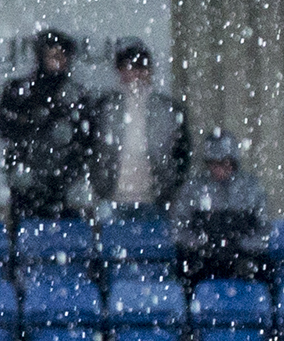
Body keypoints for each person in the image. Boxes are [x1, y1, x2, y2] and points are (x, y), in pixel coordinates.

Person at [0, 29, 95, 222]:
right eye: (52, 55)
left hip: (62, 185)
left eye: (62, 55)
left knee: (62, 239)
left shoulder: (76, 94)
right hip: (26, 182)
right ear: (40, 56)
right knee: (26, 236)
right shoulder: (18, 90)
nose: (58, 61)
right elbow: (6, 129)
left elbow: (85, 138)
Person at [90, 39, 190, 221]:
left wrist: (171, 187)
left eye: (141, 67)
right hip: (111, 198)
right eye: (130, 67)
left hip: (155, 200)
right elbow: (92, 149)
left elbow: (182, 153)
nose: (137, 74)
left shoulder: (168, 109)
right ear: (120, 71)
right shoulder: (104, 107)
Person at [173, 131, 271, 282]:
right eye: (214, 163)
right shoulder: (193, 189)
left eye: (223, 162)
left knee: (260, 271)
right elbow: (179, 228)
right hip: (203, 258)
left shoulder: (251, 188)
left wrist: (243, 246)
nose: (218, 169)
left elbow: (264, 229)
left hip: (243, 257)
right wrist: (201, 244)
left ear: (233, 162)